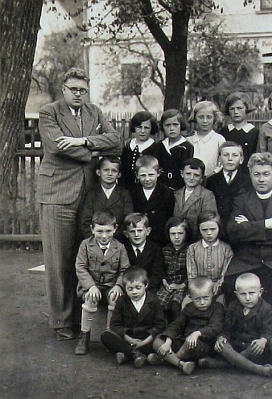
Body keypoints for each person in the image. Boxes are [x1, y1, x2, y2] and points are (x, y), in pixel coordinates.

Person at [38, 67, 121, 340]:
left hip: (87, 194)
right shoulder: (49, 112)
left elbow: (114, 140)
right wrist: (94, 150)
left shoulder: (94, 111)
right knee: (59, 259)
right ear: (63, 88)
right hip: (56, 194)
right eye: (73, 89)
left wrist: (83, 139)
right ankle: (60, 320)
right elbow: (57, 147)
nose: (78, 94)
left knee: (83, 256)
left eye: (83, 90)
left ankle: (80, 317)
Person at [225, 152, 272, 329]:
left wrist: (250, 227)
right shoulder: (242, 200)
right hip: (247, 260)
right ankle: (238, 335)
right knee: (230, 284)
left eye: (266, 174)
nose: (261, 179)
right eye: (256, 174)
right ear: (250, 176)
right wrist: (266, 225)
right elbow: (233, 232)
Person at [74, 211, 130, 355]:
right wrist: (91, 286)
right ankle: (84, 336)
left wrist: (118, 285)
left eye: (108, 231)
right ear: (92, 229)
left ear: (115, 229)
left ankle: (109, 336)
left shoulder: (120, 247)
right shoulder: (86, 245)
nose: (104, 236)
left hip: (111, 285)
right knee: (90, 298)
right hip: (92, 285)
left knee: (115, 298)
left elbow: (124, 269)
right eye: (99, 231)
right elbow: (81, 267)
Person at [209, 273, 272, 378]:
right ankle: (260, 369)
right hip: (236, 346)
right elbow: (227, 329)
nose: (247, 298)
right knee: (222, 345)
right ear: (236, 294)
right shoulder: (233, 306)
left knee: (256, 347)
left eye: (251, 293)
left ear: (260, 292)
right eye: (243, 294)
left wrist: (263, 340)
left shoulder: (266, 308)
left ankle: (227, 364)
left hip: (253, 348)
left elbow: (269, 331)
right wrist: (222, 337)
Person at [152, 277, 224, 375]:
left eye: (206, 298)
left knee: (191, 344)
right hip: (185, 341)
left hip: (204, 345)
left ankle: (167, 359)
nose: (202, 302)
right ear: (190, 296)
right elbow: (177, 324)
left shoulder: (217, 308)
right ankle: (180, 364)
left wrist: (197, 334)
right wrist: (168, 341)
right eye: (198, 299)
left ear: (213, 294)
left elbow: (215, 327)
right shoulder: (189, 307)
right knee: (158, 340)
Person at [100, 267, 166, 368]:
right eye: (130, 289)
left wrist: (144, 342)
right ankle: (135, 354)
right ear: (125, 288)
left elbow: (160, 325)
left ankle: (127, 354)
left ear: (146, 285)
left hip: (147, 339)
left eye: (138, 288)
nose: (134, 292)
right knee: (106, 336)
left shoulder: (154, 301)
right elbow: (114, 324)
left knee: (160, 340)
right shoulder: (122, 301)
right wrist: (130, 339)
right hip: (128, 339)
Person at [79, 156, 133, 242]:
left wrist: (113, 241)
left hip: (118, 242)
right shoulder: (91, 195)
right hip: (95, 242)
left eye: (114, 171)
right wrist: (95, 241)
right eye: (106, 170)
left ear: (119, 174)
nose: (110, 174)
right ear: (98, 172)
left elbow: (127, 221)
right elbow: (85, 222)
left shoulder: (124, 194)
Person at [205, 141, 252, 231]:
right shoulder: (211, 181)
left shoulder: (248, 181)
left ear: (241, 159)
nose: (230, 159)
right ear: (219, 159)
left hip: (238, 228)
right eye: (226, 155)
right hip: (217, 228)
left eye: (235, 155)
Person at [187, 211, 233, 301]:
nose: (209, 233)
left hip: (219, 291)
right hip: (198, 290)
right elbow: (192, 275)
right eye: (204, 230)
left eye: (213, 229)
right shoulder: (192, 249)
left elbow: (224, 274)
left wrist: (218, 285)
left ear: (219, 228)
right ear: (199, 230)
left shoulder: (226, 249)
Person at [130, 155, 175, 247]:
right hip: (139, 238)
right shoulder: (132, 193)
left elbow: (170, 215)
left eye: (151, 175)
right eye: (143, 175)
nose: (147, 179)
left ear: (158, 173)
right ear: (136, 175)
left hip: (160, 238)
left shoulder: (167, 193)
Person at [173, 158, 217, 242]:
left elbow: (208, 221)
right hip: (178, 239)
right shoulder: (176, 194)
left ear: (202, 178)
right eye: (188, 174)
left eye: (196, 175)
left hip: (196, 239)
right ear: (182, 174)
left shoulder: (206, 195)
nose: (191, 178)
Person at [157, 216, 190, 323]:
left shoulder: (190, 250)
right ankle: (160, 327)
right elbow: (161, 269)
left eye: (180, 233)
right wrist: (164, 281)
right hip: (168, 285)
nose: (176, 237)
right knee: (158, 303)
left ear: (186, 234)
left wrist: (182, 285)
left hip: (183, 286)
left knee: (176, 305)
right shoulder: (165, 250)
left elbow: (191, 271)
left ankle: (176, 330)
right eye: (173, 234)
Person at [122, 213, 165, 294]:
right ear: (126, 234)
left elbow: (157, 274)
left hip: (149, 288)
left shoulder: (155, 249)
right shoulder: (122, 248)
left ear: (148, 231)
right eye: (132, 231)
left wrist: (143, 287)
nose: (136, 235)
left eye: (140, 230)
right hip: (128, 289)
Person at [120, 111, 160, 190]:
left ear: (151, 129)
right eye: (139, 127)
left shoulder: (155, 148)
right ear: (134, 127)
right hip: (127, 188)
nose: (142, 131)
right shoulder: (128, 146)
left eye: (146, 128)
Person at [156, 109, 194, 191]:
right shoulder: (159, 146)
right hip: (161, 188)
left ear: (181, 125)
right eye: (167, 125)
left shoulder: (187, 147)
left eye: (175, 124)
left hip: (180, 188)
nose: (171, 128)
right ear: (162, 126)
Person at [220, 92, 259, 168]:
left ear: (246, 109)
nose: (236, 112)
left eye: (239, 108)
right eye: (232, 109)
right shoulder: (223, 132)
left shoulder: (255, 133)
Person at [187, 101, 226, 177]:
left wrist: (212, 175)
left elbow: (222, 164)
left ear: (215, 118)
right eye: (201, 117)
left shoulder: (219, 139)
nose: (205, 121)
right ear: (195, 118)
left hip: (213, 180)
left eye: (209, 117)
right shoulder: (189, 140)